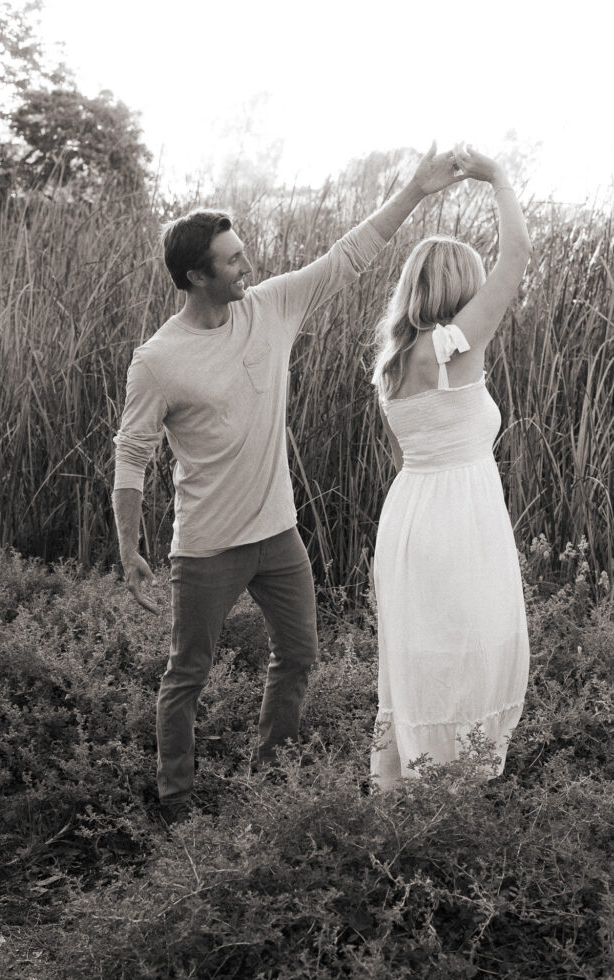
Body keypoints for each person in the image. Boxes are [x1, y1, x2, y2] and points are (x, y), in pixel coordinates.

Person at [113, 143, 467, 826]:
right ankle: (175, 798)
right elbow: (131, 458)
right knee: (187, 673)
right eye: (234, 260)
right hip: (208, 547)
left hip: (278, 533)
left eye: (245, 253)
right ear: (196, 275)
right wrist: (128, 549)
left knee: (299, 656)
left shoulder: (269, 307)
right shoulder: (158, 361)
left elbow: (348, 254)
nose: (250, 265)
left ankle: (269, 776)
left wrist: (417, 190)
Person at [370, 145, 532, 789]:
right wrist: (499, 178)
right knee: (471, 652)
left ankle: (407, 788)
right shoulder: (452, 350)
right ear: (461, 287)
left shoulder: (398, 356)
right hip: (457, 521)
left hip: (412, 515)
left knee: (418, 658)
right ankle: (452, 793)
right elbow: (516, 258)